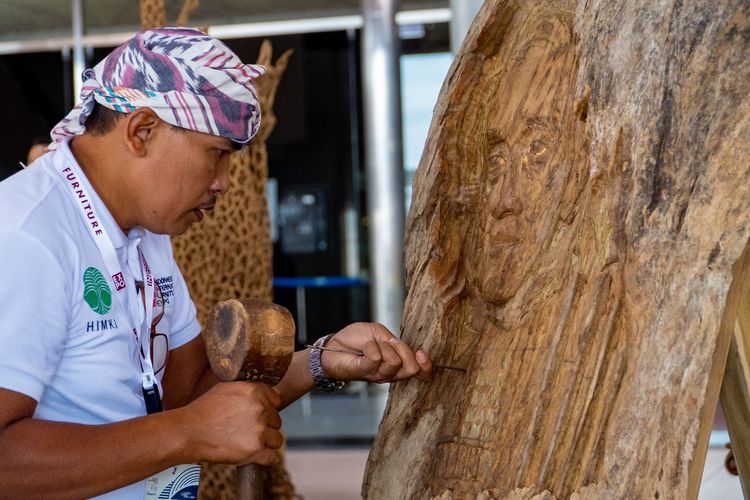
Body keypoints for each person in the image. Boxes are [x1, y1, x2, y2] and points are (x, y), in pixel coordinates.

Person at [0, 27, 432, 499]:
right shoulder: (25, 236)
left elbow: (194, 396)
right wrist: (185, 433)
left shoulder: (145, 231)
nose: (224, 182)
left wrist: (321, 361)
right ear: (141, 131)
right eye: (217, 155)